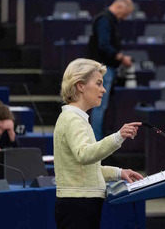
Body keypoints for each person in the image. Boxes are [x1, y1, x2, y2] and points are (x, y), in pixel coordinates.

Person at [54, 58, 143, 229]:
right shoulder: (72, 119)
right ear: (80, 86)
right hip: (78, 206)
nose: (103, 89)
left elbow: (85, 169)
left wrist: (118, 172)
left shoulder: (76, 118)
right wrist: (118, 137)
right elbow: (84, 155)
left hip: (81, 204)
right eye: (99, 83)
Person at [88, 0, 134, 141]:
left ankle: (97, 138)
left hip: (106, 69)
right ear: (119, 7)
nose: (124, 18)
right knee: (99, 105)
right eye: (124, 14)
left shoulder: (109, 20)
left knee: (100, 105)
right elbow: (103, 45)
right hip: (102, 70)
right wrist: (120, 57)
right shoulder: (104, 20)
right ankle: (96, 139)